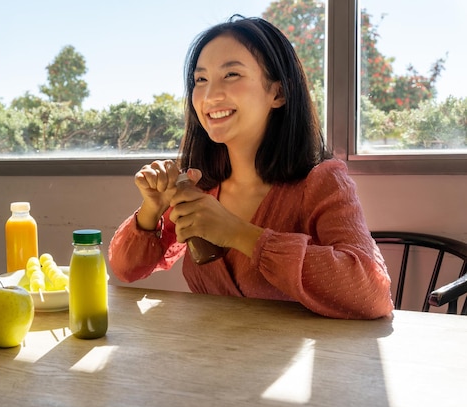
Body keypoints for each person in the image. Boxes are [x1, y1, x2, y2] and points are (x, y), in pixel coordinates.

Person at [108, 16, 394, 320]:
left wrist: (241, 235)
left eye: (231, 74)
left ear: (278, 93)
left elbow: (372, 294)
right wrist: (151, 210)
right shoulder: (197, 183)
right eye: (200, 79)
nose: (209, 95)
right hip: (206, 357)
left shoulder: (322, 182)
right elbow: (127, 270)